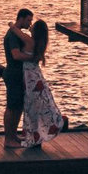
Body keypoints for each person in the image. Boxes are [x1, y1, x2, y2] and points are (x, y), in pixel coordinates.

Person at [20, 19, 68, 149]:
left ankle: (35, 137)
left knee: (31, 108)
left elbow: (16, 32)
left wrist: (13, 25)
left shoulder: (30, 41)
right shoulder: (40, 43)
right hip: (36, 76)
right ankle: (38, 135)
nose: (30, 26)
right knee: (37, 107)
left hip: (30, 78)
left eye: (32, 26)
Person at [2, 7, 33, 149]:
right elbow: (16, 55)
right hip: (13, 73)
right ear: (21, 18)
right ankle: (8, 139)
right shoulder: (13, 36)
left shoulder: (18, 33)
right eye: (28, 20)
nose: (30, 23)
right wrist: (32, 58)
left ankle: (13, 135)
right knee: (12, 106)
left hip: (19, 74)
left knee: (18, 106)